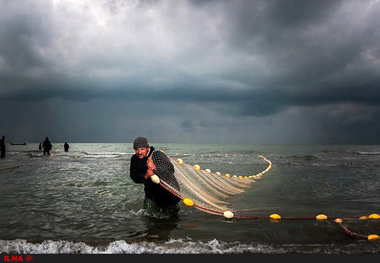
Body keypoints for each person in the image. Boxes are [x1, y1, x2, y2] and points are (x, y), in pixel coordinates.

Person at [130, 136, 180, 216]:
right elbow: (134, 176)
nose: (139, 152)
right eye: (136, 149)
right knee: (148, 217)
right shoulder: (134, 159)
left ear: (147, 148)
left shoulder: (158, 154)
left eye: (142, 149)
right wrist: (145, 176)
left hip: (168, 193)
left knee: (172, 218)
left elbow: (170, 169)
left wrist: (155, 168)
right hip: (151, 195)